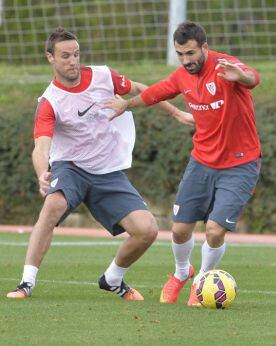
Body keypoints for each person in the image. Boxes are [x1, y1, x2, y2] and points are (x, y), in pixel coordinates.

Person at [6, 27, 194, 301]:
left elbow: (141, 90)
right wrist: (41, 173)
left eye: (76, 54)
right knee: (53, 205)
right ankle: (26, 283)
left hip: (107, 173)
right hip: (70, 168)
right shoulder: (49, 101)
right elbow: (41, 146)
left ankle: (113, 278)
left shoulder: (104, 76)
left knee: (147, 230)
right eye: (65, 56)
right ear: (50, 58)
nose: (73, 61)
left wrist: (176, 113)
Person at [102, 21, 262, 306]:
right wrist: (126, 105)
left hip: (240, 164)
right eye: (181, 55)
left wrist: (242, 76)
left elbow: (252, 78)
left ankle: (202, 281)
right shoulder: (181, 76)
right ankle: (180, 273)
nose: (187, 60)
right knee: (179, 230)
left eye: (191, 53)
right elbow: (155, 93)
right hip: (201, 161)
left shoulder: (225, 67)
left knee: (214, 230)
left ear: (204, 47)